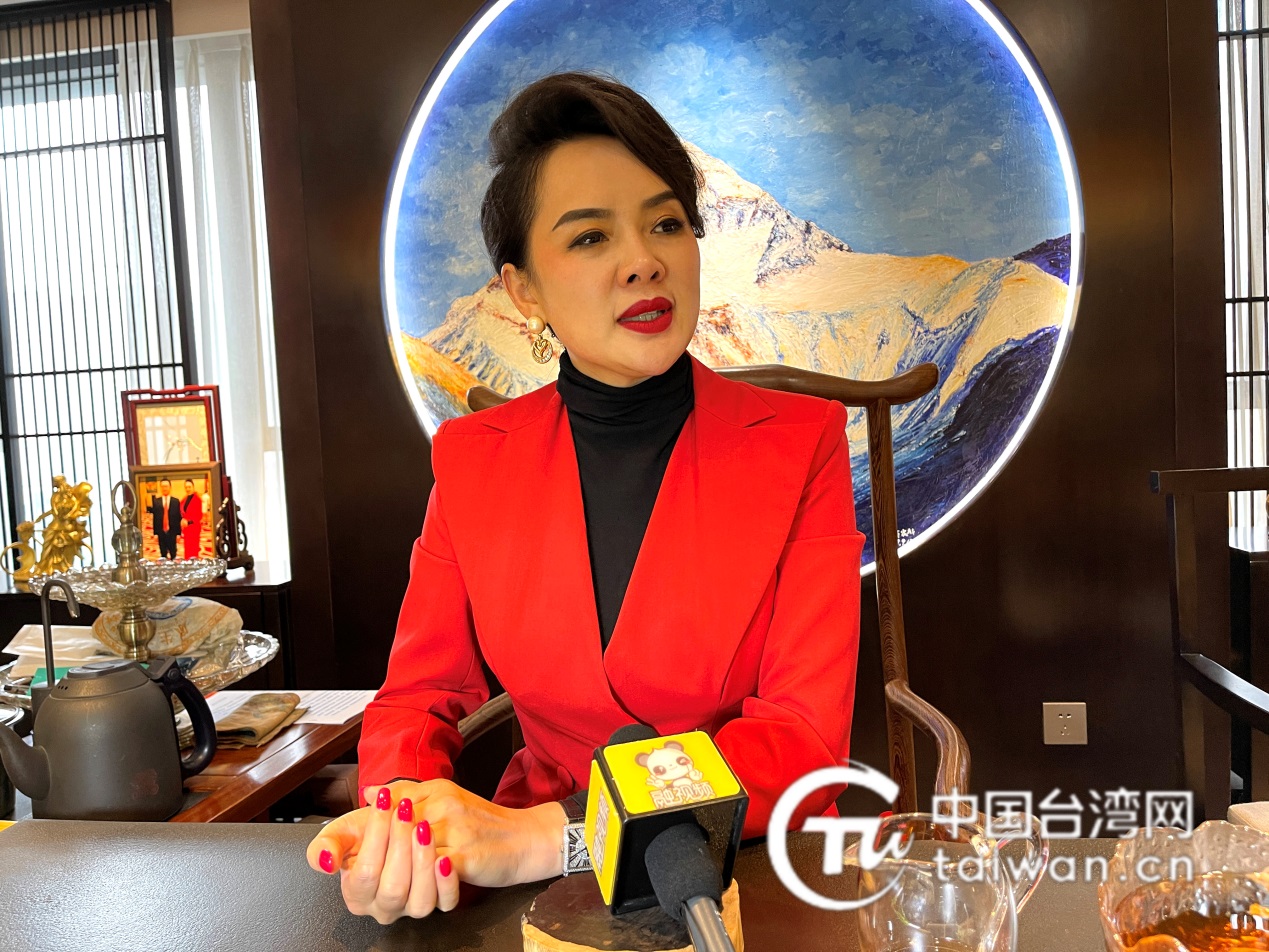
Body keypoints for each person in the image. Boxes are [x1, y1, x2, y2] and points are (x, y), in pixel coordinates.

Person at [307, 72, 864, 924]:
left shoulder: (801, 443)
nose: (643, 260)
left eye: (666, 224)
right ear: (523, 290)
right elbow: (417, 698)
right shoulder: (472, 460)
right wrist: (404, 825)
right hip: (538, 895)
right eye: (590, 236)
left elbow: (802, 737)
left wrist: (555, 832)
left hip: (746, 868)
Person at [148, 478, 181, 559]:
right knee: (163, 555)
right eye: (162, 486)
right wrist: (155, 533)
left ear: (170, 487)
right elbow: (155, 518)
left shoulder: (176, 501)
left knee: (173, 554)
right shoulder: (156, 501)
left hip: (172, 532)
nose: (164, 488)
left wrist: (178, 533)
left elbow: (178, 518)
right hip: (161, 532)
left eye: (166, 486)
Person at [180, 478, 203, 559]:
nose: (187, 489)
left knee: (193, 549)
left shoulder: (197, 500)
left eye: (189, 487)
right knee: (187, 548)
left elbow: (199, 516)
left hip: (194, 528)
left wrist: (188, 522)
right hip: (186, 529)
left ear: (193, 487)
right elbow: (181, 511)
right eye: (186, 487)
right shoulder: (184, 499)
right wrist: (182, 520)